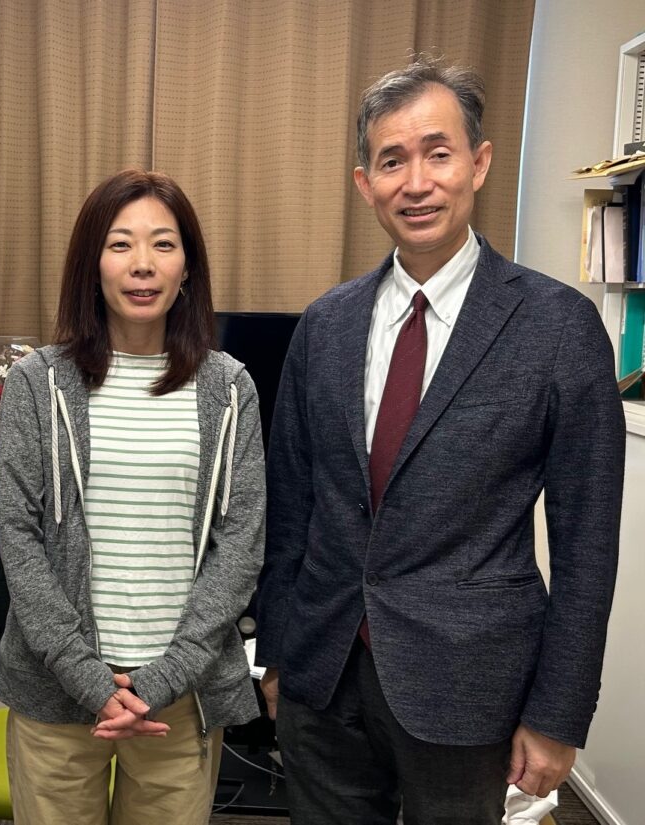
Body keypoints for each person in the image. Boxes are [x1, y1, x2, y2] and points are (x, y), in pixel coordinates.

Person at [255, 57, 624, 824]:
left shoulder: (558, 328)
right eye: (392, 161)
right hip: (322, 676)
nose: (416, 182)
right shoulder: (324, 325)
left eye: (438, 153)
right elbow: (290, 508)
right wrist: (278, 653)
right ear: (365, 184)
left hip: (469, 689)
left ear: (479, 164)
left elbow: (587, 546)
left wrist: (559, 713)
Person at [0, 168, 265, 824]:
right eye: (120, 244)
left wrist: (165, 677)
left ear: (187, 268)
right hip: (57, 690)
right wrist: (88, 677)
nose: (143, 263)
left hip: (179, 693)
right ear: (93, 264)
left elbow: (241, 543)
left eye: (163, 244)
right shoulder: (37, 383)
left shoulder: (229, 389)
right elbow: (19, 540)